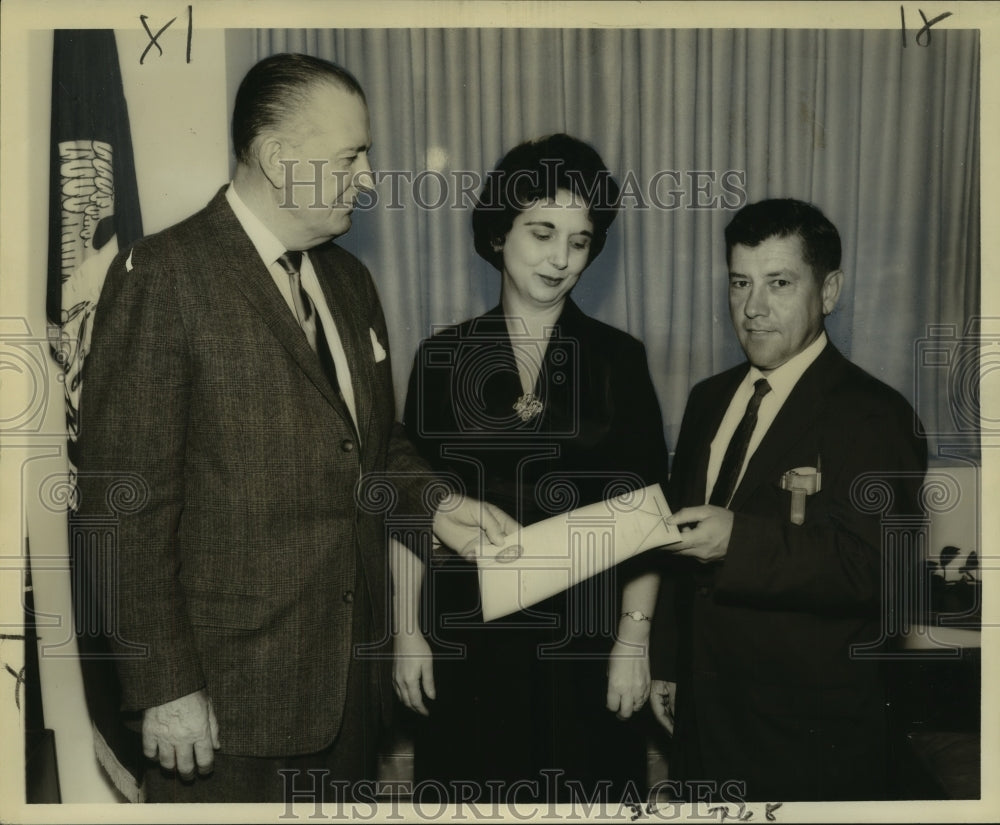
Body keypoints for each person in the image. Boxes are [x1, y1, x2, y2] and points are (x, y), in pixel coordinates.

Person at [74, 53, 514, 803]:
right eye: (351, 157)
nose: (370, 179)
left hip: (347, 693)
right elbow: (123, 506)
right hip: (220, 711)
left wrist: (436, 503)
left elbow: (370, 447)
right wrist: (164, 687)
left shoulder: (349, 281)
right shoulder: (165, 276)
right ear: (279, 159)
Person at [391, 134, 671, 803]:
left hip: (588, 644)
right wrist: (405, 632)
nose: (561, 258)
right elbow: (408, 509)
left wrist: (634, 642)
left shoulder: (618, 358)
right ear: (497, 233)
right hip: (468, 644)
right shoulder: (441, 356)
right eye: (543, 232)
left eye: (580, 240)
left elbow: (649, 512)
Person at [650, 198, 927, 802]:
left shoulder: (874, 413)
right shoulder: (707, 399)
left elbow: (881, 571)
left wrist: (737, 540)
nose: (753, 308)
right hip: (702, 722)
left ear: (829, 291)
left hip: (808, 739)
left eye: (779, 283)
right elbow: (676, 540)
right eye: (740, 283)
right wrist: (666, 662)